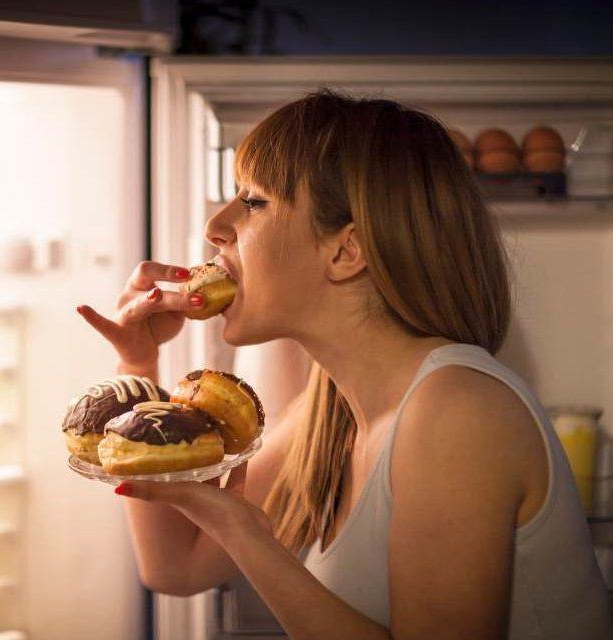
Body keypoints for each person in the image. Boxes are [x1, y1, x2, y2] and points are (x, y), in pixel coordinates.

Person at [76, 90, 612, 639]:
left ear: (345, 251)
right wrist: (137, 360)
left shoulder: (457, 412)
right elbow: (175, 568)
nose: (217, 224)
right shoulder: (328, 412)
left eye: (254, 202)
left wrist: (247, 536)